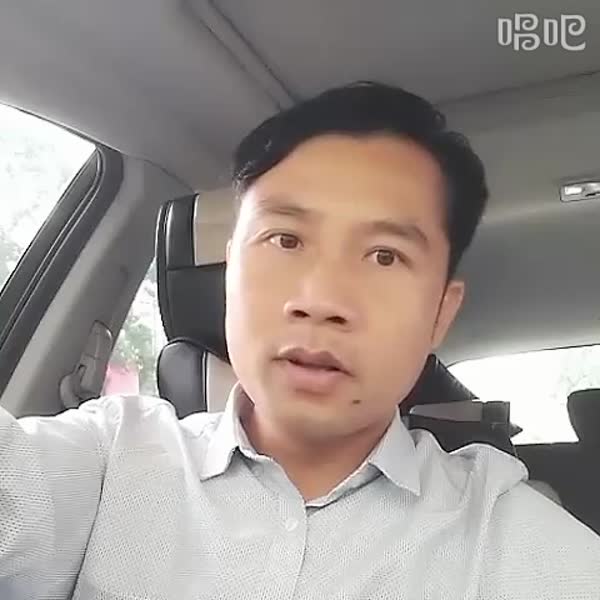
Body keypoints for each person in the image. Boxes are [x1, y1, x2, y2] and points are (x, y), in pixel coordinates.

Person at [1, 81, 599, 600]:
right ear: (231, 272)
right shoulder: (109, 460)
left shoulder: (507, 536)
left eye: (384, 255)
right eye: (285, 241)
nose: (320, 299)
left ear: (441, 314)